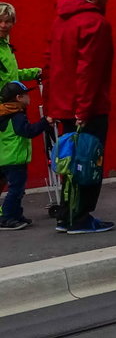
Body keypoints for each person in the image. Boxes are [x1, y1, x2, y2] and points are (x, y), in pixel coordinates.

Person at [43, 0, 116, 234]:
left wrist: (51, 105)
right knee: (88, 161)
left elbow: (49, 64)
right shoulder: (96, 24)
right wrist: (84, 110)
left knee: (68, 163)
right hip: (87, 108)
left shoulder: (60, 20)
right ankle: (80, 217)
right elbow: (89, 71)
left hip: (63, 106)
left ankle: (66, 216)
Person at [0, 80, 51, 230]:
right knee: (16, 189)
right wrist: (45, 122)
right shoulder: (16, 115)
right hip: (15, 158)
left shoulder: (4, 112)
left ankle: (16, 214)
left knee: (17, 189)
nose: (29, 97)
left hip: (5, 157)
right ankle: (7, 217)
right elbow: (28, 131)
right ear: (18, 98)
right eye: (25, 94)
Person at [0, 1, 41, 89]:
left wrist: (34, 73)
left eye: (7, 21)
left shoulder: (5, 45)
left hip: (10, 100)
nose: (3, 25)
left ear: (13, 23)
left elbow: (9, 75)